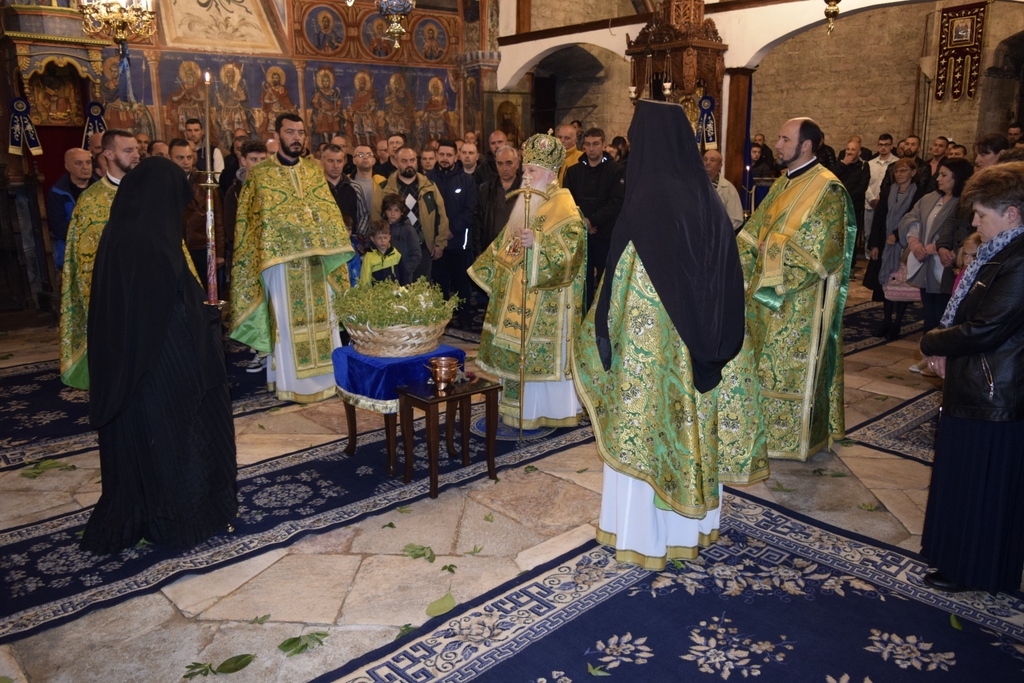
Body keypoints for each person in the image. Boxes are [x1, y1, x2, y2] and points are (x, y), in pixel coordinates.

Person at [573, 99, 758, 570]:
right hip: (698, 355)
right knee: (690, 435)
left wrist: (599, 335)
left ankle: (645, 537)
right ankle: (692, 529)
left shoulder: (645, 204)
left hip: (654, 359)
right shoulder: (705, 198)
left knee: (651, 439)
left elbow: (625, 293)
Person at [80, 156, 237, 555]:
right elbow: (166, 312)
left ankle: (151, 510)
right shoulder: (148, 241)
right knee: (174, 439)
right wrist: (206, 320)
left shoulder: (121, 232)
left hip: (132, 367)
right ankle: (178, 516)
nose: (178, 215)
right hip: (160, 369)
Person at [918, 161, 1024, 595]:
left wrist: (932, 340)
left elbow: (987, 327)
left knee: (982, 485)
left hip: (994, 392)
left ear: (1012, 213)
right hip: (976, 380)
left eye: (981, 214)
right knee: (961, 477)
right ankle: (955, 558)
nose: (975, 224)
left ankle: (974, 569)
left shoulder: (1019, 259)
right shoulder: (1000, 250)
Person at [737, 117, 856, 461]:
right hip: (764, 294)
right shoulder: (782, 183)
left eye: (785, 139)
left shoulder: (828, 189)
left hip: (800, 302)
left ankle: (793, 440)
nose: (777, 144)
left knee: (790, 370)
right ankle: (763, 434)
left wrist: (770, 249)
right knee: (762, 366)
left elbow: (823, 252)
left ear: (806, 145)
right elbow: (752, 232)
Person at [230, 113, 354, 403]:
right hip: (281, 265)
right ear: (277, 136)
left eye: (300, 132)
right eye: (290, 132)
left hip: (317, 263)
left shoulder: (313, 171)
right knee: (286, 325)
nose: (296, 137)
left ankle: (328, 380)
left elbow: (328, 213)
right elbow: (250, 223)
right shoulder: (260, 175)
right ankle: (291, 384)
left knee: (323, 321)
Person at [468, 133, 587, 429]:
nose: (525, 176)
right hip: (519, 294)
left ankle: (549, 411)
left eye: (531, 171)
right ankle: (519, 410)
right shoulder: (530, 200)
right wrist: (491, 270)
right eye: (525, 170)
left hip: (547, 301)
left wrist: (538, 242)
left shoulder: (563, 204)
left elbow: (572, 253)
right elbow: (509, 240)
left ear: (549, 174)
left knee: (536, 357)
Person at [60, 130, 142, 389]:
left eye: (137, 149)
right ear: (108, 154)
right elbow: (85, 259)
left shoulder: (149, 192)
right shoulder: (90, 201)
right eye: (128, 150)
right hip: (114, 293)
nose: (136, 155)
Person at [902, 157, 974, 357]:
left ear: (958, 178)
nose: (938, 179)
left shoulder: (964, 203)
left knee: (943, 313)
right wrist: (914, 242)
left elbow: (964, 232)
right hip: (926, 262)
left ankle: (940, 355)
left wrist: (939, 247)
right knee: (928, 312)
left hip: (947, 264)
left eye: (944, 175)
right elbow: (911, 217)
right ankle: (928, 355)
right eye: (938, 174)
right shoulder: (929, 198)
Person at [564, 127, 626, 310]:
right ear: (583, 146)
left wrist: (592, 221)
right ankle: (583, 315)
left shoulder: (616, 170)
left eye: (596, 144)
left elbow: (616, 202)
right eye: (588, 144)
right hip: (581, 234)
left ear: (604, 145)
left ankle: (603, 317)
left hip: (606, 234)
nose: (591, 148)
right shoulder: (573, 171)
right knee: (582, 281)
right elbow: (567, 201)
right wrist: (583, 221)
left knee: (606, 280)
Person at [864, 158, 926, 339]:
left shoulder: (920, 194)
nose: (899, 174)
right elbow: (879, 218)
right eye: (896, 171)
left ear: (913, 172)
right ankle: (886, 322)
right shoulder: (888, 191)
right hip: (886, 244)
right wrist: (875, 244)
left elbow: (915, 219)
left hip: (905, 245)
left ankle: (897, 324)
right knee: (887, 284)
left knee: (902, 285)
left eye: (903, 170)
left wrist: (898, 235)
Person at [372, 146, 448, 283]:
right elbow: (376, 217)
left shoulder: (429, 186)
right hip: (394, 247)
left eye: (412, 160)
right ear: (396, 163)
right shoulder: (385, 188)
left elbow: (441, 216)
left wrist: (439, 244)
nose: (409, 164)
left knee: (422, 288)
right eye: (404, 161)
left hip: (423, 246)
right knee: (396, 287)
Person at [428, 139, 477, 310]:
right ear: (436, 155)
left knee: (462, 285)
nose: (445, 158)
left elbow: (470, 210)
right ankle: (443, 319)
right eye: (441, 154)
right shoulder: (427, 180)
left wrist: (451, 230)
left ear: (456, 157)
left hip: (459, 243)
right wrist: (439, 234)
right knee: (439, 285)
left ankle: (464, 317)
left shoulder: (467, 180)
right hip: (436, 243)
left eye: (449, 155)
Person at [169, 138, 226, 281]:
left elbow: (217, 217)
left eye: (189, 157)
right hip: (174, 245)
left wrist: (219, 253)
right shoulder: (164, 182)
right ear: (170, 157)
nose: (186, 162)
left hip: (201, 246)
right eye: (180, 158)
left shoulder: (205, 181)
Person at [47, 147, 94, 270]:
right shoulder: (58, 192)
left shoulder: (101, 188)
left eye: (88, 162)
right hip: (72, 254)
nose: (85, 167)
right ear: (67, 167)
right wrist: (86, 236)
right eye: (79, 163)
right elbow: (58, 227)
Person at [474, 144, 522, 258]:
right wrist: (478, 252)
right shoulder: (485, 189)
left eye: (509, 163)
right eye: (500, 163)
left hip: (518, 251)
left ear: (517, 164)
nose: (504, 168)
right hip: (491, 250)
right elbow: (477, 222)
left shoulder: (526, 190)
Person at [381, 192, 421, 284]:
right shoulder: (380, 228)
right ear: (384, 211)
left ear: (402, 212)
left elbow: (416, 254)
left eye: (396, 210)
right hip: (383, 275)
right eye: (389, 210)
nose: (392, 214)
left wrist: (404, 271)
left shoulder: (408, 230)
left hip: (403, 277)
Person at [702, 148, 742, 231]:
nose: (707, 163)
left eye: (712, 160)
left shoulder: (728, 188)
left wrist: (719, 232)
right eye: (705, 159)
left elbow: (736, 218)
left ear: (720, 165)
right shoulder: (692, 185)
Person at [359, 220, 403, 285]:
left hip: (395, 290)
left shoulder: (396, 254)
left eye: (385, 237)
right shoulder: (369, 257)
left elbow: (404, 276)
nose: (383, 241)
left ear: (389, 237)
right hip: (376, 291)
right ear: (372, 239)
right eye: (379, 238)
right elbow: (365, 280)